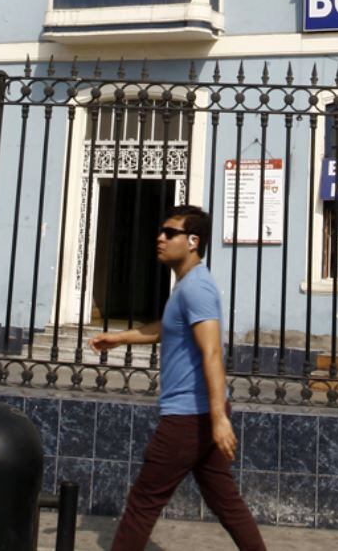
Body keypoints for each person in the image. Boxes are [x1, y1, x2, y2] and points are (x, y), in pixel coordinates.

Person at [91, 205, 266, 551]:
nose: (160, 238)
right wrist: (120, 337)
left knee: (143, 501)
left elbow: (212, 351)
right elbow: (165, 329)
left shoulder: (196, 289)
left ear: (192, 241)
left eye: (169, 233)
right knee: (226, 502)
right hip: (198, 416)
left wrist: (218, 419)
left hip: (188, 416)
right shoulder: (186, 285)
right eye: (161, 231)